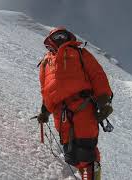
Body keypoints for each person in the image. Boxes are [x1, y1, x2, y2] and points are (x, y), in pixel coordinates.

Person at [37, 27, 113, 180]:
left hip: (82, 105)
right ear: (50, 40)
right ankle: (86, 175)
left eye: (62, 35)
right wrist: (45, 111)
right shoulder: (46, 62)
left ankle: (90, 176)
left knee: (86, 150)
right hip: (60, 112)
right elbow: (46, 89)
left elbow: (97, 75)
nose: (59, 39)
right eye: (56, 36)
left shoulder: (80, 53)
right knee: (71, 154)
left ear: (68, 36)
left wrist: (104, 101)